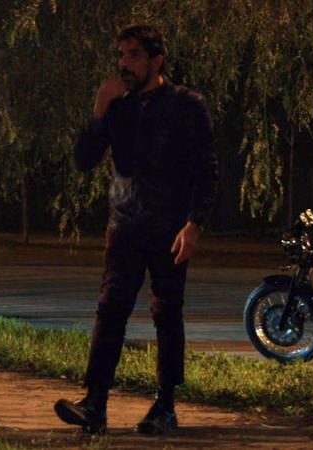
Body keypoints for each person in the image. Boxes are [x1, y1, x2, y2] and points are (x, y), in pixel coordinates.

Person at [54, 24, 218, 435]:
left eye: (133, 55)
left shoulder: (186, 105)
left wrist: (194, 224)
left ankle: (165, 405)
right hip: (125, 224)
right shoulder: (119, 107)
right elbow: (84, 161)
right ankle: (95, 403)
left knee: (167, 312)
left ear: (156, 61)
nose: (124, 64)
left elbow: (206, 170)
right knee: (110, 308)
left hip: (169, 226)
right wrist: (99, 111)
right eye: (121, 55)